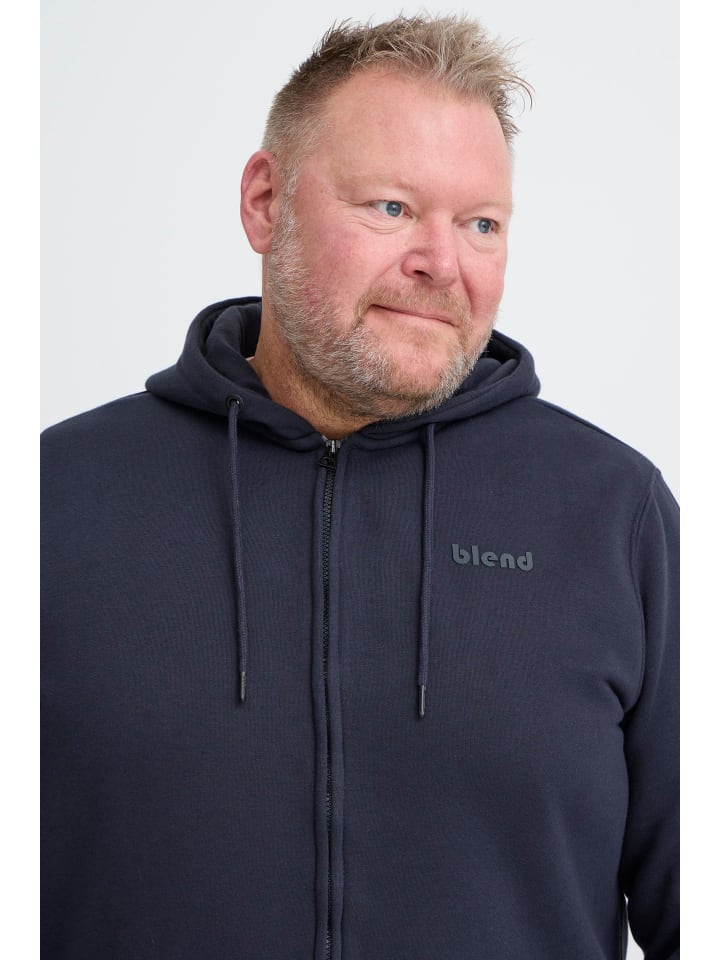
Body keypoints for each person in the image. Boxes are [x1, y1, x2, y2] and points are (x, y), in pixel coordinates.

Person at [41, 14, 679, 959]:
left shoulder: (614, 515)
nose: (441, 263)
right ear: (266, 203)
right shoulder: (54, 500)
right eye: (391, 208)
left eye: (481, 223)